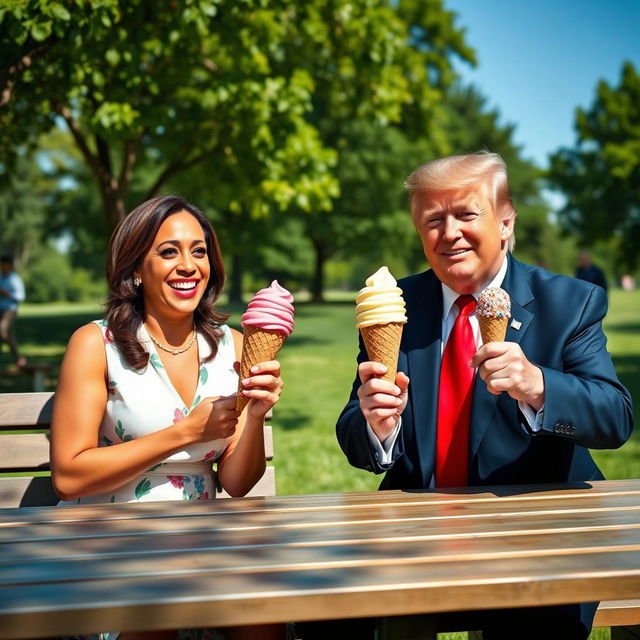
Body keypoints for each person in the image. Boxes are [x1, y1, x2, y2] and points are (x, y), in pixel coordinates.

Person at [333, 152, 634, 640]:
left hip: (538, 533)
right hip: (418, 532)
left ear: (506, 222)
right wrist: (376, 425)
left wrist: (539, 385)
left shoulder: (569, 302)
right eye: (433, 220)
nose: (449, 233)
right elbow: (353, 431)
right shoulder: (394, 308)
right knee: (331, 617)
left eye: (466, 214)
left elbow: (615, 416)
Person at [50, 196, 286, 640]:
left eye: (199, 251)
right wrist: (184, 433)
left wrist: (253, 416)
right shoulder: (95, 344)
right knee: (154, 615)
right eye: (168, 251)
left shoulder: (232, 346)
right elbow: (69, 475)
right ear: (136, 269)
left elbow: (235, 482)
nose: (188, 265)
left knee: (262, 611)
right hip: (105, 541)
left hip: (201, 545)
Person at [0, 255, 27, 368]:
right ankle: (18, 359)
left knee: (2, 330)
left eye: (5, 264)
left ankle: (18, 358)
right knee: (3, 335)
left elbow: (21, 296)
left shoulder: (15, 279)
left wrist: (8, 294)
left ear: (10, 265)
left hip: (10, 309)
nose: (3, 266)